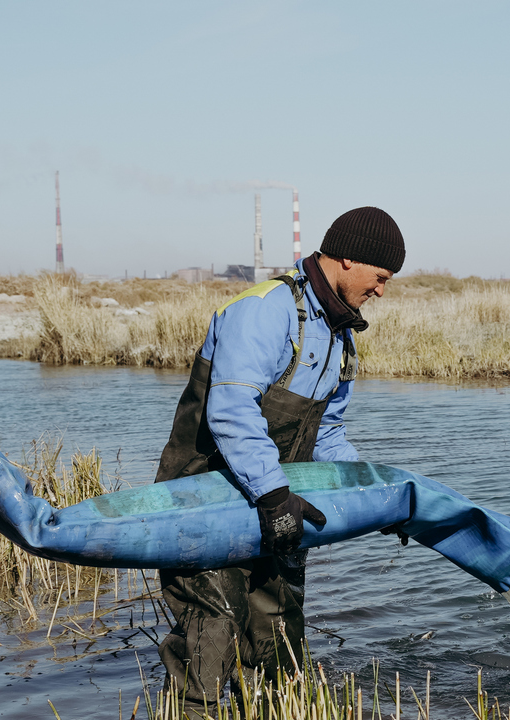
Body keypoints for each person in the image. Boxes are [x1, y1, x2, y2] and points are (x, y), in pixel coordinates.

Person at [153, 206, 404, 714]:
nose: (383, 290)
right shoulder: (266, 308)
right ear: (348, 260)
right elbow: (230, 412)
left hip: (279, 505)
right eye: (380, 277)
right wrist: (273, 495)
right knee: (214, 629)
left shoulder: (340, 336)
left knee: (279, 642)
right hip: (204, 498)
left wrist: (372, 496)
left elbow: (328, 434)